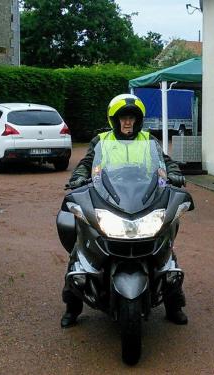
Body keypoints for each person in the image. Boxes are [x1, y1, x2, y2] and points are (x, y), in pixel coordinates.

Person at [61, 93, 188, 328]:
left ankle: (174, 304)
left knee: (166, 243)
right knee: (81, 245)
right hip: (109, 197)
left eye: (131, 118)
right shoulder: (102, 140)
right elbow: (87, 163)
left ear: (138, 120)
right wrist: (78, 177)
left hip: (144, 197)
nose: (127, 122)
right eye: (123, 118)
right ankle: (72, 305)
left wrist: (173, 172)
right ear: (114, 120)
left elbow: (165, 160)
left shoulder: (149, 140)